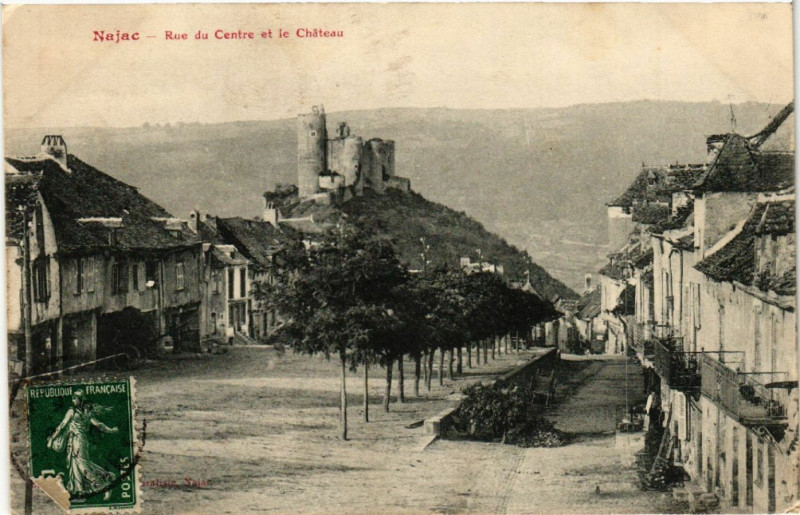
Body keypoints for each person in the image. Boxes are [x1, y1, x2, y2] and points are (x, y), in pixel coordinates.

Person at [47, 390, 118, 498]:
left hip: (77, 440)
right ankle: (87, 486)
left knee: (81, 464)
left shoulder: (72, 411)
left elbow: (62, 425)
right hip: (79, 440)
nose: (73, 400)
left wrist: (52, 439)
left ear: (80, 400)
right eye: (72, 398)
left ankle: (102, 485)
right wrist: (111, 430)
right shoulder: (87, 412)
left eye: (74, 398)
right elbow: (99, 425)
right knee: (77, 464)